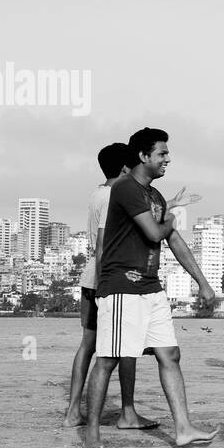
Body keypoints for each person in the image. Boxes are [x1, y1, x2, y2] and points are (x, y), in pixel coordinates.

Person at [84, 127, 218, 448]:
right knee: (108, 359)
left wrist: (203, 282)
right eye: (162, 153)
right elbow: (156, 233)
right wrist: (171, 219)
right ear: (143, 156)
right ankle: (90, 433)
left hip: (151, 287)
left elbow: (174, 240)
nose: (167, 159)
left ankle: (183, 429)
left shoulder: (155, 196)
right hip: (122, 288)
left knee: (170, 354)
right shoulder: (127, 189)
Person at [65, 143, 152, 430]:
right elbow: (105, 246)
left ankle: (73, 411)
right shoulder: (116, 195)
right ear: (126, 168)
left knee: (87, 346)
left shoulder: (96, 193)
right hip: (107, 279)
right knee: (126, 348)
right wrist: (108, 286)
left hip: (90, 277)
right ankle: (127, 412)